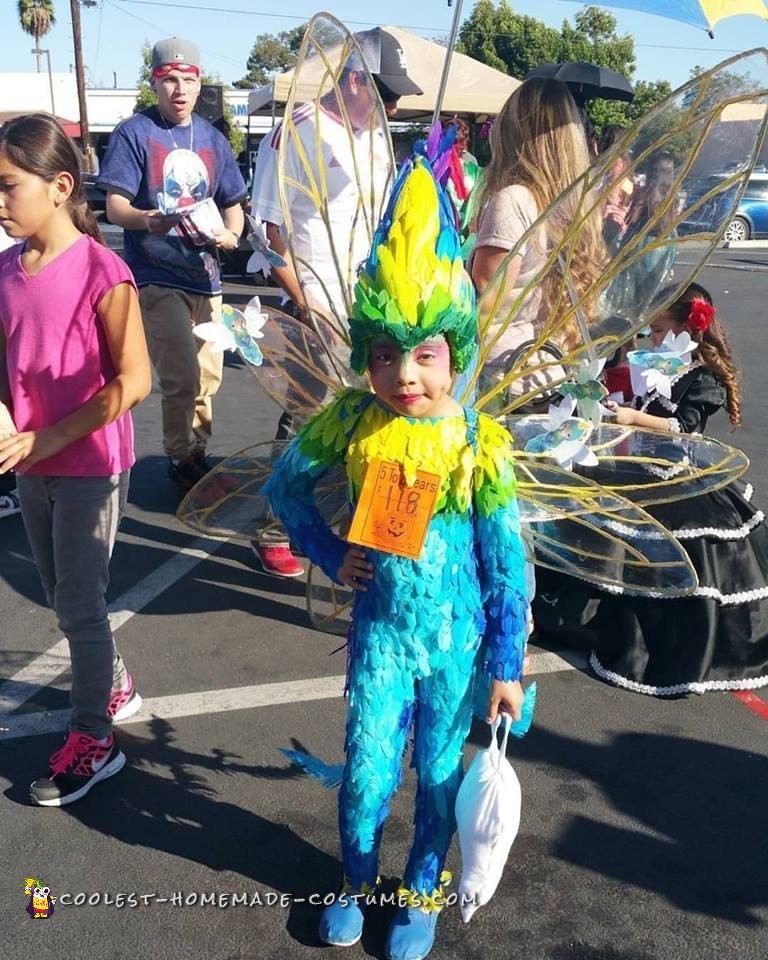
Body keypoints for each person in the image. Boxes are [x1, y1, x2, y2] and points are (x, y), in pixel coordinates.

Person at [264, 151, 528, 960]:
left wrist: (509, 663)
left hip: (456, 642)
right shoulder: (350, 421)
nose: (403, 374)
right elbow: (284, 490)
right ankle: (351, 883)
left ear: (455, 351)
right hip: (380, 637)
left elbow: (506, 561)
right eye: (383, 353)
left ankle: (419, 895)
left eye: (423, 354)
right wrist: (329, 551)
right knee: (371, 772)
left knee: (441, 780)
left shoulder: (479, 442)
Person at [0, 114, 152, 804]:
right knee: (66, 600)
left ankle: (95, 736)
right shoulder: (6, 271)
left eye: (9, 187)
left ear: (61, 186)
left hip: (89, 465)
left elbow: (133, 381)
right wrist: (9, 423)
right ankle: (113, 683)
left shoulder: (102, 270)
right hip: (32, 465)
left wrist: (47, 439)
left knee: (81, 607)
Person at [535, 283, 768, 696]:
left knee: (662, 544)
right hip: (637, 464)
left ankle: (660, 635)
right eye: (652, 332)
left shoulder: (701, 377)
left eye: (661, 332)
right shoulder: (654, 367)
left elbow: (685, 428)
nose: (654, 340)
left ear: (691, 332)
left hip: (678, 473)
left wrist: (631, 418)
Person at [250, 26, 422, 577]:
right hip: (318, 302)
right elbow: (267, 229)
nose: (393, 107)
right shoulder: (297, 131)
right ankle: (279, 525)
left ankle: (369, 532)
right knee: (309, 416)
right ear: (353, 80)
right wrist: (304, 300)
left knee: (382, 412)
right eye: (386, 94)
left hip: (370, 302)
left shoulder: (375, 135)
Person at [98, 37, 247, 492]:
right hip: (156, 276)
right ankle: (180, 458)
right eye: (169, 81)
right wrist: (148, 220)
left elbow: (233, 204)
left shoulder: (213, 139)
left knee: (208, 377)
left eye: (187, 80)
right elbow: (114, 206)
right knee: (181, 375)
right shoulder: (135, 132)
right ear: (155, 84)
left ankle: (197, 451)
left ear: (199, 85)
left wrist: (232, 235)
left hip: (207, 277)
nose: (178, 89)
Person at [470, 78, 604, 407]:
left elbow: (483, 301)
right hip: (550, 370)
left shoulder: (514, 200)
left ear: (514, 130)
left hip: (501, 376)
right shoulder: (574, 202)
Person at [598, 123, 633, 254]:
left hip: (609, 219)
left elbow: (612, 195)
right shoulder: (625, 163)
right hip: (619, 219)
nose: (599, 141)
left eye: (603, 138)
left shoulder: (615, 164)